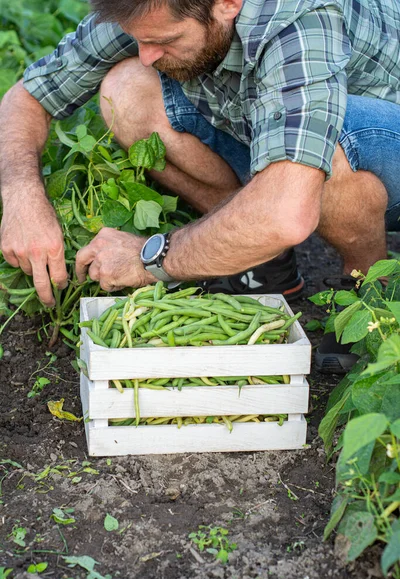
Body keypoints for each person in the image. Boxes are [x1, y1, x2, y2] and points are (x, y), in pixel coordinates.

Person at [0, 0, 399, 373]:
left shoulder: (301, 21)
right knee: (126, 88)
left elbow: (288, 213)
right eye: (141, 39)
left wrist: (149, 259)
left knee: (321, 149)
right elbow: (30, 95)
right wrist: (23, 199)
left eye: (165, 41)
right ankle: (257, 257)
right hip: (271, 128)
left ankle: (369, 294)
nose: (147, 54)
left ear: (227, 3)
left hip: (380, 148)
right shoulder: (156, 10)